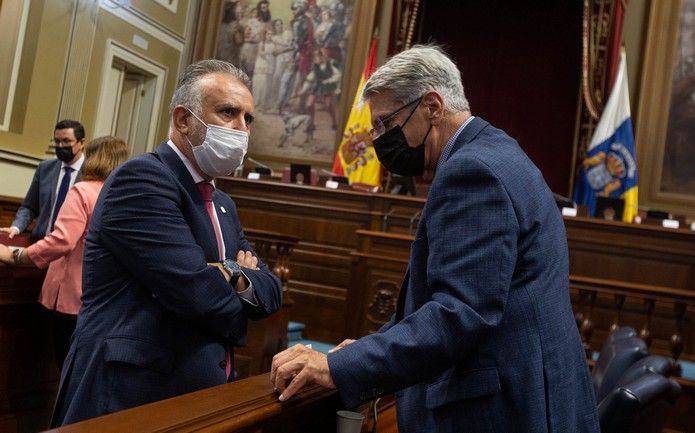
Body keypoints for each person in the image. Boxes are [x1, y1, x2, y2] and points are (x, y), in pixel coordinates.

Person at [270, 45, 600, 433]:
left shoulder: (472, 171)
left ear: (431, 106)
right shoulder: (497, 149)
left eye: (384, 124)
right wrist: (363, 352)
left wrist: (338, 366)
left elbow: (459, 313)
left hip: (505, 411)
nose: (378, 140)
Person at [52, 59, 283, 425]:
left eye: (248, 119)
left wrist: (230, 273)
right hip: (131, 394)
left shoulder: (222, 203)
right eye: (228, 113)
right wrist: (240, 280)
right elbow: (196, 293)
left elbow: (271, 292)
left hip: (196, 390)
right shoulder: (143, 179)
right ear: (183, 119)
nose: (242, 129)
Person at [0, 136, 130, 371]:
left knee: (64, 366)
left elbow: (61, 241)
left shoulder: (82, 191)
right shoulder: (123, 197)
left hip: (70, 297)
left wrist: (16, 255)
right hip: (105, 298)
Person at [1, 119, 86, 243]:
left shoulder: (91, 173)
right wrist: (16, 227)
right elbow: (29, 207)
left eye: (66, 141)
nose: (61, 146)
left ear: (81, 143)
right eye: (57, 141)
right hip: (40, 243)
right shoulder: (45, 168)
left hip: (72, 250)